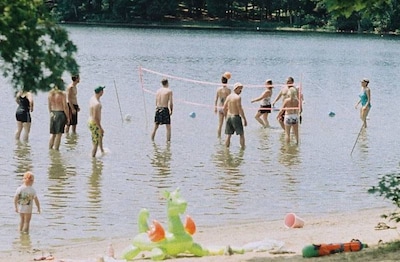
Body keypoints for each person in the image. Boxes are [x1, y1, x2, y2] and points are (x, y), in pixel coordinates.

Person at [223, 82, 247, 149]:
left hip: (229, 116)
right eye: (240, 89)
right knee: (241, 134)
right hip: (235, 117)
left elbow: (224, 108)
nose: (241, 91)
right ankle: (243, 148)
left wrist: (226, 116)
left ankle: (226, 149)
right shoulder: (238, 97)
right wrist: (244, 119)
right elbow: (240, 109)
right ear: (236, 89)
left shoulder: (229, 96)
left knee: (228, 135)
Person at [48, 86, 69, 150]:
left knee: (52, 134)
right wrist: (68, 117)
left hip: (53, 113)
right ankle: (56, 150)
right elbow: (65, 106)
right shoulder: (62, 94)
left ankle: (50, 149)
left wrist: (51, 113)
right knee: (58, 134)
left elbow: (49, 106)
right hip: (60, 113)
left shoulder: (50, 94)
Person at [89, 86, 105, 157]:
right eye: (102, 90)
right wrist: (100, 128)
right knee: (95, 142)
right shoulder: (97, 104)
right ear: (101, 92)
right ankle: (93, 158)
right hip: (94, 123)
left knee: (100, 136)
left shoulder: (92, 98)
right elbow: (95, 117)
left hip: (90, 121)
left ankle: (102, 151)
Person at [214, 72, 231, 138]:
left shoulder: (218, 89)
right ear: (227, 81)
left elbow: (216, 99)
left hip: (220, 107)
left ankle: (219, 137)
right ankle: (227, 138)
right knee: (227, 124)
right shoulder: (228, 90)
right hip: (226, 108)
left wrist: (215, 108)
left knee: (220, 124)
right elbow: (229, 100)